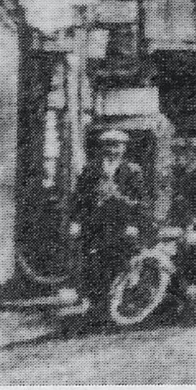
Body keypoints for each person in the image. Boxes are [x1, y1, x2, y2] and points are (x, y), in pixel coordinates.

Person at [70, 128, 150, 305]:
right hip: (95, 223)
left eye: (118, 146)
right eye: (109, 146)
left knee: (120, 261)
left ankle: (123, 299)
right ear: (102, 148)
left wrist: (134, 225)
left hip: (121, 225)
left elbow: (141, 201)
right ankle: (94, 301)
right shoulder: (91, 169)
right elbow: (79, 197)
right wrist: (75, 221)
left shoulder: (133, 171)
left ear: (124, 149)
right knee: (93, 261)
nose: (113, 150)